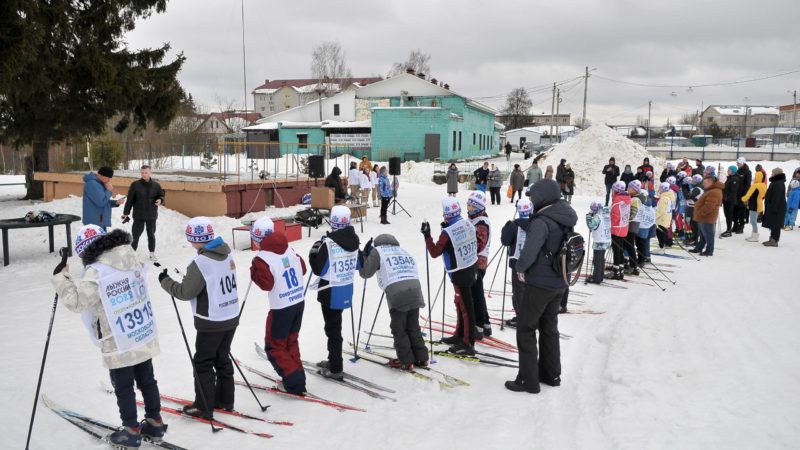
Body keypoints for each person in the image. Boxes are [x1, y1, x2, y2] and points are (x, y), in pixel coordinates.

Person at [52, 225, 164, 447]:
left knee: (123, 386)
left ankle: (130, 430)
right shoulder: (130, 255)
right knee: (147, 379)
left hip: (118, 337)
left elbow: (77, 302)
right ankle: (155, 422)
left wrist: (61, 279)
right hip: (141, 329)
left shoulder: (97, 271)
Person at [159, 217, 240, 418]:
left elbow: (186, 292)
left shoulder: (200, 261)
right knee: (222, 357)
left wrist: (166, 282)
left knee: (203, 362)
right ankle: (225, 399)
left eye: (191, 239)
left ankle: (204, 406)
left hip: (211, 320)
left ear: (196, 239)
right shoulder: (226, 254)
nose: (190, 243)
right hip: (230, 315)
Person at [506, 179, 577, 393]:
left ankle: (528, 380)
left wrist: (520, 267)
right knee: (549, 328)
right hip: (559, 282)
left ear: (542, 196)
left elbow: (529, 252)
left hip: (539, 284)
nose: (531, 199)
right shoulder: (564, 215)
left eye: (533, 195)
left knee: (526, 328)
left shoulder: (541, 221)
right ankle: (551, 374)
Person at [249, 217, 308, 395]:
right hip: (298, 301)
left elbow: (266, 284)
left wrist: (254, 270)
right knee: (291, 341)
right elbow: (303, 269)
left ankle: (294, 382)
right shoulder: (288, 247)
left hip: (282, 307)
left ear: (257, 239)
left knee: (274, 346)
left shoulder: (262, 258)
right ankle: (298, 378)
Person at [359, 234, 428, 370]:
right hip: (415, 290)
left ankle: (406, 361)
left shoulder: (377, 251)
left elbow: (365, 272)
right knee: (413, 326)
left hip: (398, 294)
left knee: (399, 328)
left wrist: (364, 256)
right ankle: (421, 358)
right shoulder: (402, 251)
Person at [309, 205, 360, 380]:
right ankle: (333, 360)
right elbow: (359, 264)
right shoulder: (354, 242)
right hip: (346, 289)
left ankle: (336, 367)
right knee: (334, 327)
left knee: (332, 330)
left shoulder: (329, 243)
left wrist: (313, 253)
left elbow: (318, 269)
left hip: (330, 292)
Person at [422, 198, 478, 355]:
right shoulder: (467, 223)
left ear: (446, 214)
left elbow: (434, 252)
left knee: (466, 307)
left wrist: (427, 236)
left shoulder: (447, 233)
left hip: (460, 272)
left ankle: (468, 343)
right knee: (461, 304)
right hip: (470, 266)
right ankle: (460, 335)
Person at [500, 198, 533, 326]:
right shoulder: (536, 223)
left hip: (518, 263)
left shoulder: (514, 225)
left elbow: (505, 241)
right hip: (532, 262)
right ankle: (529, 316)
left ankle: (522, 318)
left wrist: (506, 227)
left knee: (519, 290)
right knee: (528, 290)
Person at [122, 165, 165, 261]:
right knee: (135, 235)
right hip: (139, 215)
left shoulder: (156, 185)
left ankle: (152, 253)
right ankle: (132, 254)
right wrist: (126, 212)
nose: (144, 175)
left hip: (151, 215)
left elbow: (161, 195)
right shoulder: (135, 185)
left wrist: (160, 200)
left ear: (150, 173)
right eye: (142, 173)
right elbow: (130, 200)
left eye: (146, 172)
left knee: (151, 235)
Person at [467, 191, 492, 338]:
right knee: (478, 293)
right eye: (468, 204)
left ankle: (479, 326)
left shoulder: (481, 223)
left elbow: (478, 245)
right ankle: (486, 324)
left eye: (471, 205)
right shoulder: (474, 219)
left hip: (478, 262)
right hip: (474, 261)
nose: (468, 208)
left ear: (477, 207)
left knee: (475, 295)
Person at [690, 176, 723, 256]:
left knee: (708, 235)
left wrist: (701, 212)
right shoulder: (711, 190)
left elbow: (709, 206)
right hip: (703, 217)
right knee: (702, 235)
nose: (703, 184)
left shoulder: (714, 192)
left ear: (711, 182)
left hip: (706, 217)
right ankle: (699, 248)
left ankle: (709, 250)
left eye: (705, 183)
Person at [609, 181, 631, 280]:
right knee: (621, 249)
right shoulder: (627, 198)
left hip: (616, 228)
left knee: (616, 250)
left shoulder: (617, 200)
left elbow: (614, 216)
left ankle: (616, 271)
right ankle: (621, 269)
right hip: (624, 227)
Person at [586, 200, 611, 284]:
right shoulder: (605, 214)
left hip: (599, 240)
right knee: (601, 259)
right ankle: (600, 276)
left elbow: (591, 226)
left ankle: (596, 278)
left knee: (597, 260)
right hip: (606, 239)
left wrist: (589, 217)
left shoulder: (598, 217)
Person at [762, 168, 787, 247]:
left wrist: (774, 208)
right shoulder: (776, 182)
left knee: (776, 224)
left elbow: (777, 197)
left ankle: (774, 240)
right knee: (773, 224)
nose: (771, 174)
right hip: (773, 207)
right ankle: (772, 239)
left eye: (773, 172)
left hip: (776, 208)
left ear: (776, 174)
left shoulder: (779, 183)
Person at [624, 180, 643, 275]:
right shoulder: (636, 198)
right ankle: (628, 263)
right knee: (627, 244)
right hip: (633, 223)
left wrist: (624, 220)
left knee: (629, 245)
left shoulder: (635, 199)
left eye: (629, 187)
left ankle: (633, 266)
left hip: (632, 224)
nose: (627, 189)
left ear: (634, 190)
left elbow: (632, 213)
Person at [741, 171, 766, 243]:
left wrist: (742, 199)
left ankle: (755, 236)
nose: (754, 178)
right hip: (759, 204)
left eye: (755, 176)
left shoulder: (755, 185)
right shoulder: (763, 185)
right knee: (754, 221)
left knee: (753, 221)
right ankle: (753, 235)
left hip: (754, 205)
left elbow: (748, 195)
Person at [721, 165, 742, 238]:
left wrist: (727, 199)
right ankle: (728, 229)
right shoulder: (730, 178)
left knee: (729, 216)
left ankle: (729, 230)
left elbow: (733, 191)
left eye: (729, 170)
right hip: (726, 200)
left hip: (730, 201)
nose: (727, 171)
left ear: (732, 171)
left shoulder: (734, 179)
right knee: (727, 216)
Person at [685, 174, 705, 245]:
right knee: (693, 223)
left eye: (693, 179)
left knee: (694, 224)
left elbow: (688, 196)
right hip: (693, 206)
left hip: (694, 207)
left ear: (697, 180)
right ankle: (694, 238)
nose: (692, 180)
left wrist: (692, 197)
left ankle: (695, 239)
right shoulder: (696, 187)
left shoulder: (697, 188)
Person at [655, 182, 675, 251]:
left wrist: (654, 217)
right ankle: (662, 246)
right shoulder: (666, 196)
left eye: (660, 188)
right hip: (664, 218)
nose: (659, 189)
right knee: (661, 232)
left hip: (662, 218)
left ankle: (662, 247)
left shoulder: (664, 198)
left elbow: (661, 210)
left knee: (660, 233)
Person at [734, 157, 752, 232]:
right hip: (736, 194)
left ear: (742, 163)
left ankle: (741, 226)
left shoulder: (748, 172)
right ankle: (735, 225)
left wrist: (744, 196)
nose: (737, 164)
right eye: (737, 163)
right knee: (735, 210)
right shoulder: (738, 171)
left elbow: (747, 185)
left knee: (742, 210)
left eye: (738, 163)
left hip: (743, 195)